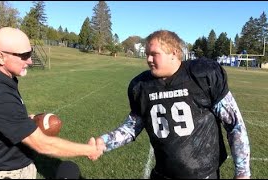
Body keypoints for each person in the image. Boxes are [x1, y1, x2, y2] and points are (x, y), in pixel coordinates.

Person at [93, 29, 251, 179]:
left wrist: (242, 171)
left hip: (204, 174)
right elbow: (132, 126)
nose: (148, 59)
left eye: (154, 54)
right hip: (163, 174)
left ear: (174, 53)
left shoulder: (202, 75)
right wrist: (105, 142)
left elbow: (234, 124)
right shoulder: (141, 86)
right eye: (147, 54)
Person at [0, 27, 105, 179]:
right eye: (24, 55)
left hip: (14, 167)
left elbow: (2, 119)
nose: (30, 61)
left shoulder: (0, 80)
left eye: (31, 53)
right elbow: (43, 144)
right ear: (0, 57)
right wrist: (89, 150)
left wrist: (24, 121)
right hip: (6, 174)